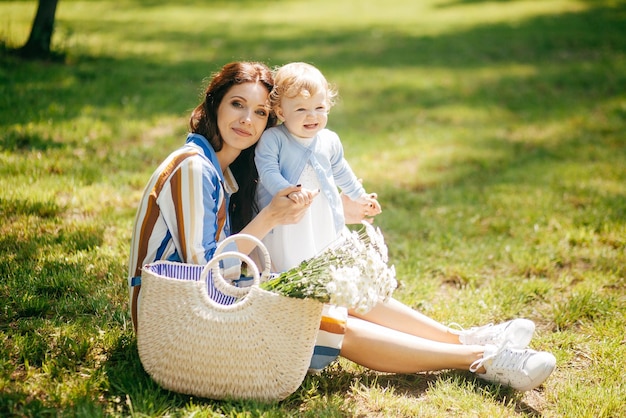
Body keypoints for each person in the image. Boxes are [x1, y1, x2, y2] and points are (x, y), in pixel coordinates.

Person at [127, 61, 556, 393]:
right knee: (325, 315)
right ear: (214, 102)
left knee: (330, 284)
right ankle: (481, 360)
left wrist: (336, 211)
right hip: (179, 324)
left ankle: (465, 340)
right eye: (237, 104)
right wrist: (271, 217)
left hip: (212, 302)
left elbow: (229, 261)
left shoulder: (226, 174)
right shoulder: (192, 168)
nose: (248, 120)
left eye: (259, 111)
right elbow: (207, 267)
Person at [254, 62, 381, 272]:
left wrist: (360, 196)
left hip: (320, 211)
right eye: (301, 109)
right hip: (289, 215)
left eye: (319, 108)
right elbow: (268, 171)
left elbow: (341, 171)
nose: (312, 115)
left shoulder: (329, 139)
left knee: (324, 253)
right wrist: (288, 192)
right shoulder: (274, 138)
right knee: (291, 260)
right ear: (282, 112)